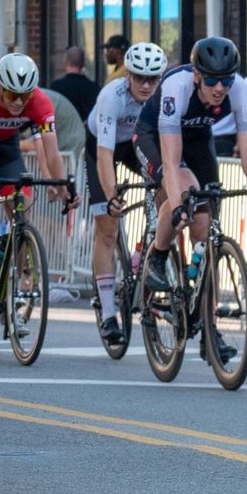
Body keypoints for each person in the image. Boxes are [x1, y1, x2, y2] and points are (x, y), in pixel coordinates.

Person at [134, 37, 247, 357]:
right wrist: (177, 205)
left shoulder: (241, 91)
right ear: (198, 76)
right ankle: (158, 256)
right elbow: (172, 164)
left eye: (226, 79)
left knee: (206, 236)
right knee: (185, 193)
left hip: (199, 141)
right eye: (213, 80)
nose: (220, 88)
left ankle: (209, 330)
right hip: (154, 137)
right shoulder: (177, 87)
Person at [0, 54, 73, 277]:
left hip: (6, 146)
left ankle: (16, 285)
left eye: (25, 95)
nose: (19, 102)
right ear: (0, 88)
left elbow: (52, 153)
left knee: (22, 213)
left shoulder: (40, 102)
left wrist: (62, 185)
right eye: (12, 94)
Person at [83, 42, 166, 345]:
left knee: (165, 194)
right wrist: (111, 195)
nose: (146, 85)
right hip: (101, 147)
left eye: (153, 78)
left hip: (134, 144)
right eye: (139, 77)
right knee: (107, 227)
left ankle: (141, 254)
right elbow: (105, 155)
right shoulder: (112, 96)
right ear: (128, 75)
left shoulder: (163, 96)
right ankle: (107, 315)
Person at [50, 45, 100, 123]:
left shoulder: (56, 87)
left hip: (62, 133)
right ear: (83, 63)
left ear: (65, 62)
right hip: (85, 133)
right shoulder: (94, 88)